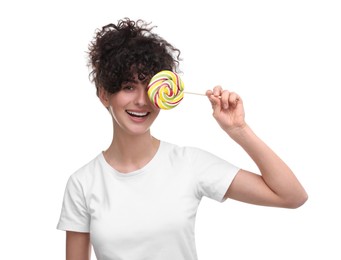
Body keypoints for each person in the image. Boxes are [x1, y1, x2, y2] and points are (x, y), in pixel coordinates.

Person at [57, 18, 308, 260]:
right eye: (128, 87)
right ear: (104, 94)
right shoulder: (82, 183)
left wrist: (238, 129)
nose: (142, 101)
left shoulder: (188, 163)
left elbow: (292, 196)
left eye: (149, 86)